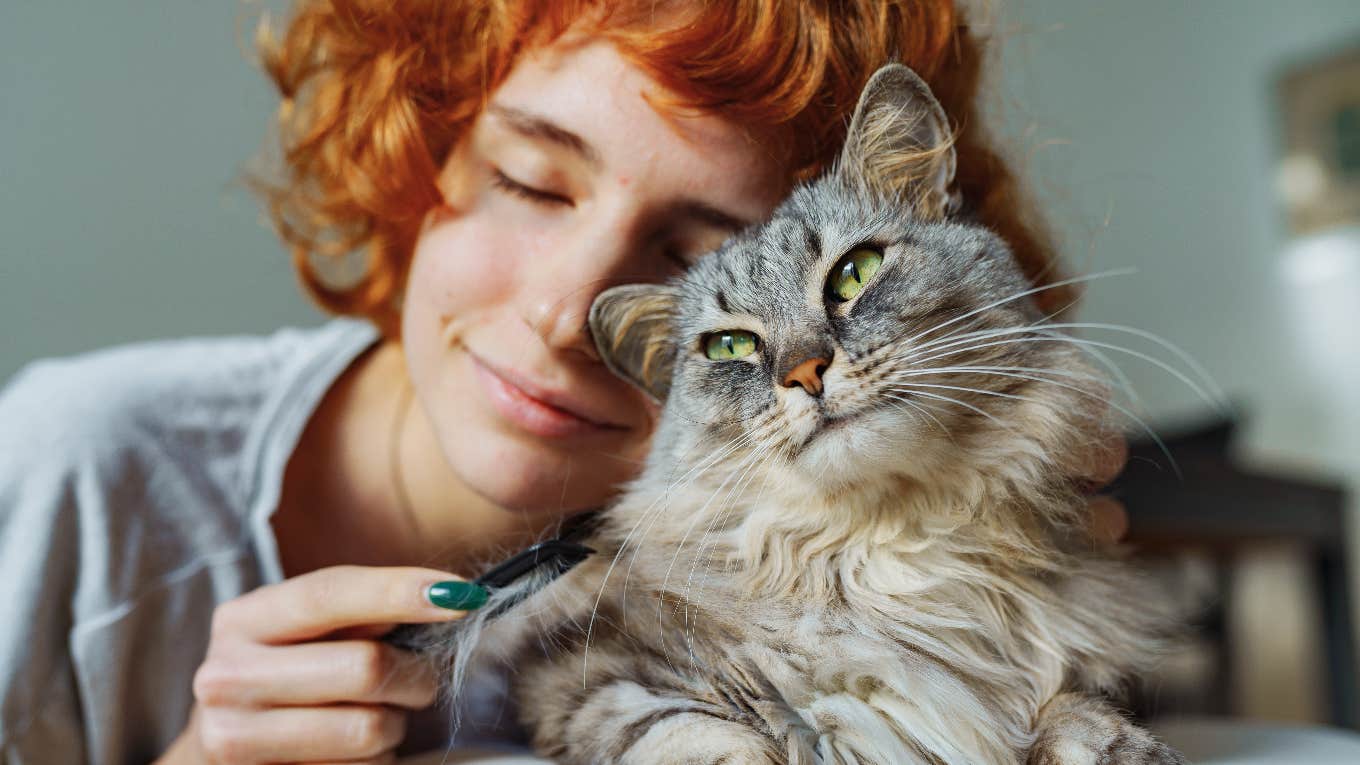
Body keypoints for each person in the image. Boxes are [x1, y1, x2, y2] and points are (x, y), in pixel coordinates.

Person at [0, 1, 1129, 763]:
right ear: (421, 149)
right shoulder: (75, 469)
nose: (562, 312)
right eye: (532, 182)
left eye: (695, 257)